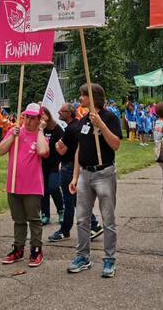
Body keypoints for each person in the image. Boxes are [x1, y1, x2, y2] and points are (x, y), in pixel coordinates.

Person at [67, 83, 122, 278]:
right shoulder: (82, 121)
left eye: (83, 95)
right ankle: (83, 257)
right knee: (82, 219)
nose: (80, 98)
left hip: (104, 174)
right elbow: (79, 150)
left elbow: (116, 145)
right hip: (84, 174)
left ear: (93, 97)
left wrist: (101, 126)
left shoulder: (110, 118)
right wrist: (75, 177)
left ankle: (109, 260)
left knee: (108, 219)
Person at [0, 103, 49, 267]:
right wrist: (12, 136)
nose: (28, 121)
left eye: (32, 118)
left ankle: (36, 250)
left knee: (34, 219)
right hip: (13, 185)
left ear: (39, 119)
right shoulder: (15, 132)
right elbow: (0, 151)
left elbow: (42, 152)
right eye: (26, 117)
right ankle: (18, 249)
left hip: (33, 186)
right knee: (18, 220)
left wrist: (40, 130)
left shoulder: (41, 136)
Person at [49, 103, 103, 242]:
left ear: (69, 113)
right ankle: (93, 224)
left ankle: (65, 230)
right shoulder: (78, 125)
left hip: (69, 167)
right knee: (77, 200)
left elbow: (61, 150)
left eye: (62, 111)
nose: (59, 112)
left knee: (69, 200)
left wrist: (56, 144)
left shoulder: (70, 130)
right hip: (78, 166)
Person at [40, 106, 65, 225]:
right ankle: (45, 214)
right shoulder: (39, 129)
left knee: (54, 187)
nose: (42, 116)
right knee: (43, 190)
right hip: (41, 164)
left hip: (54, 163)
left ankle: (61, 210)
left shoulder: (57, 129)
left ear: (49, 115)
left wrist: (62, 161)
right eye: (40, 115)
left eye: (44, 114)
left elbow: (64, 145)